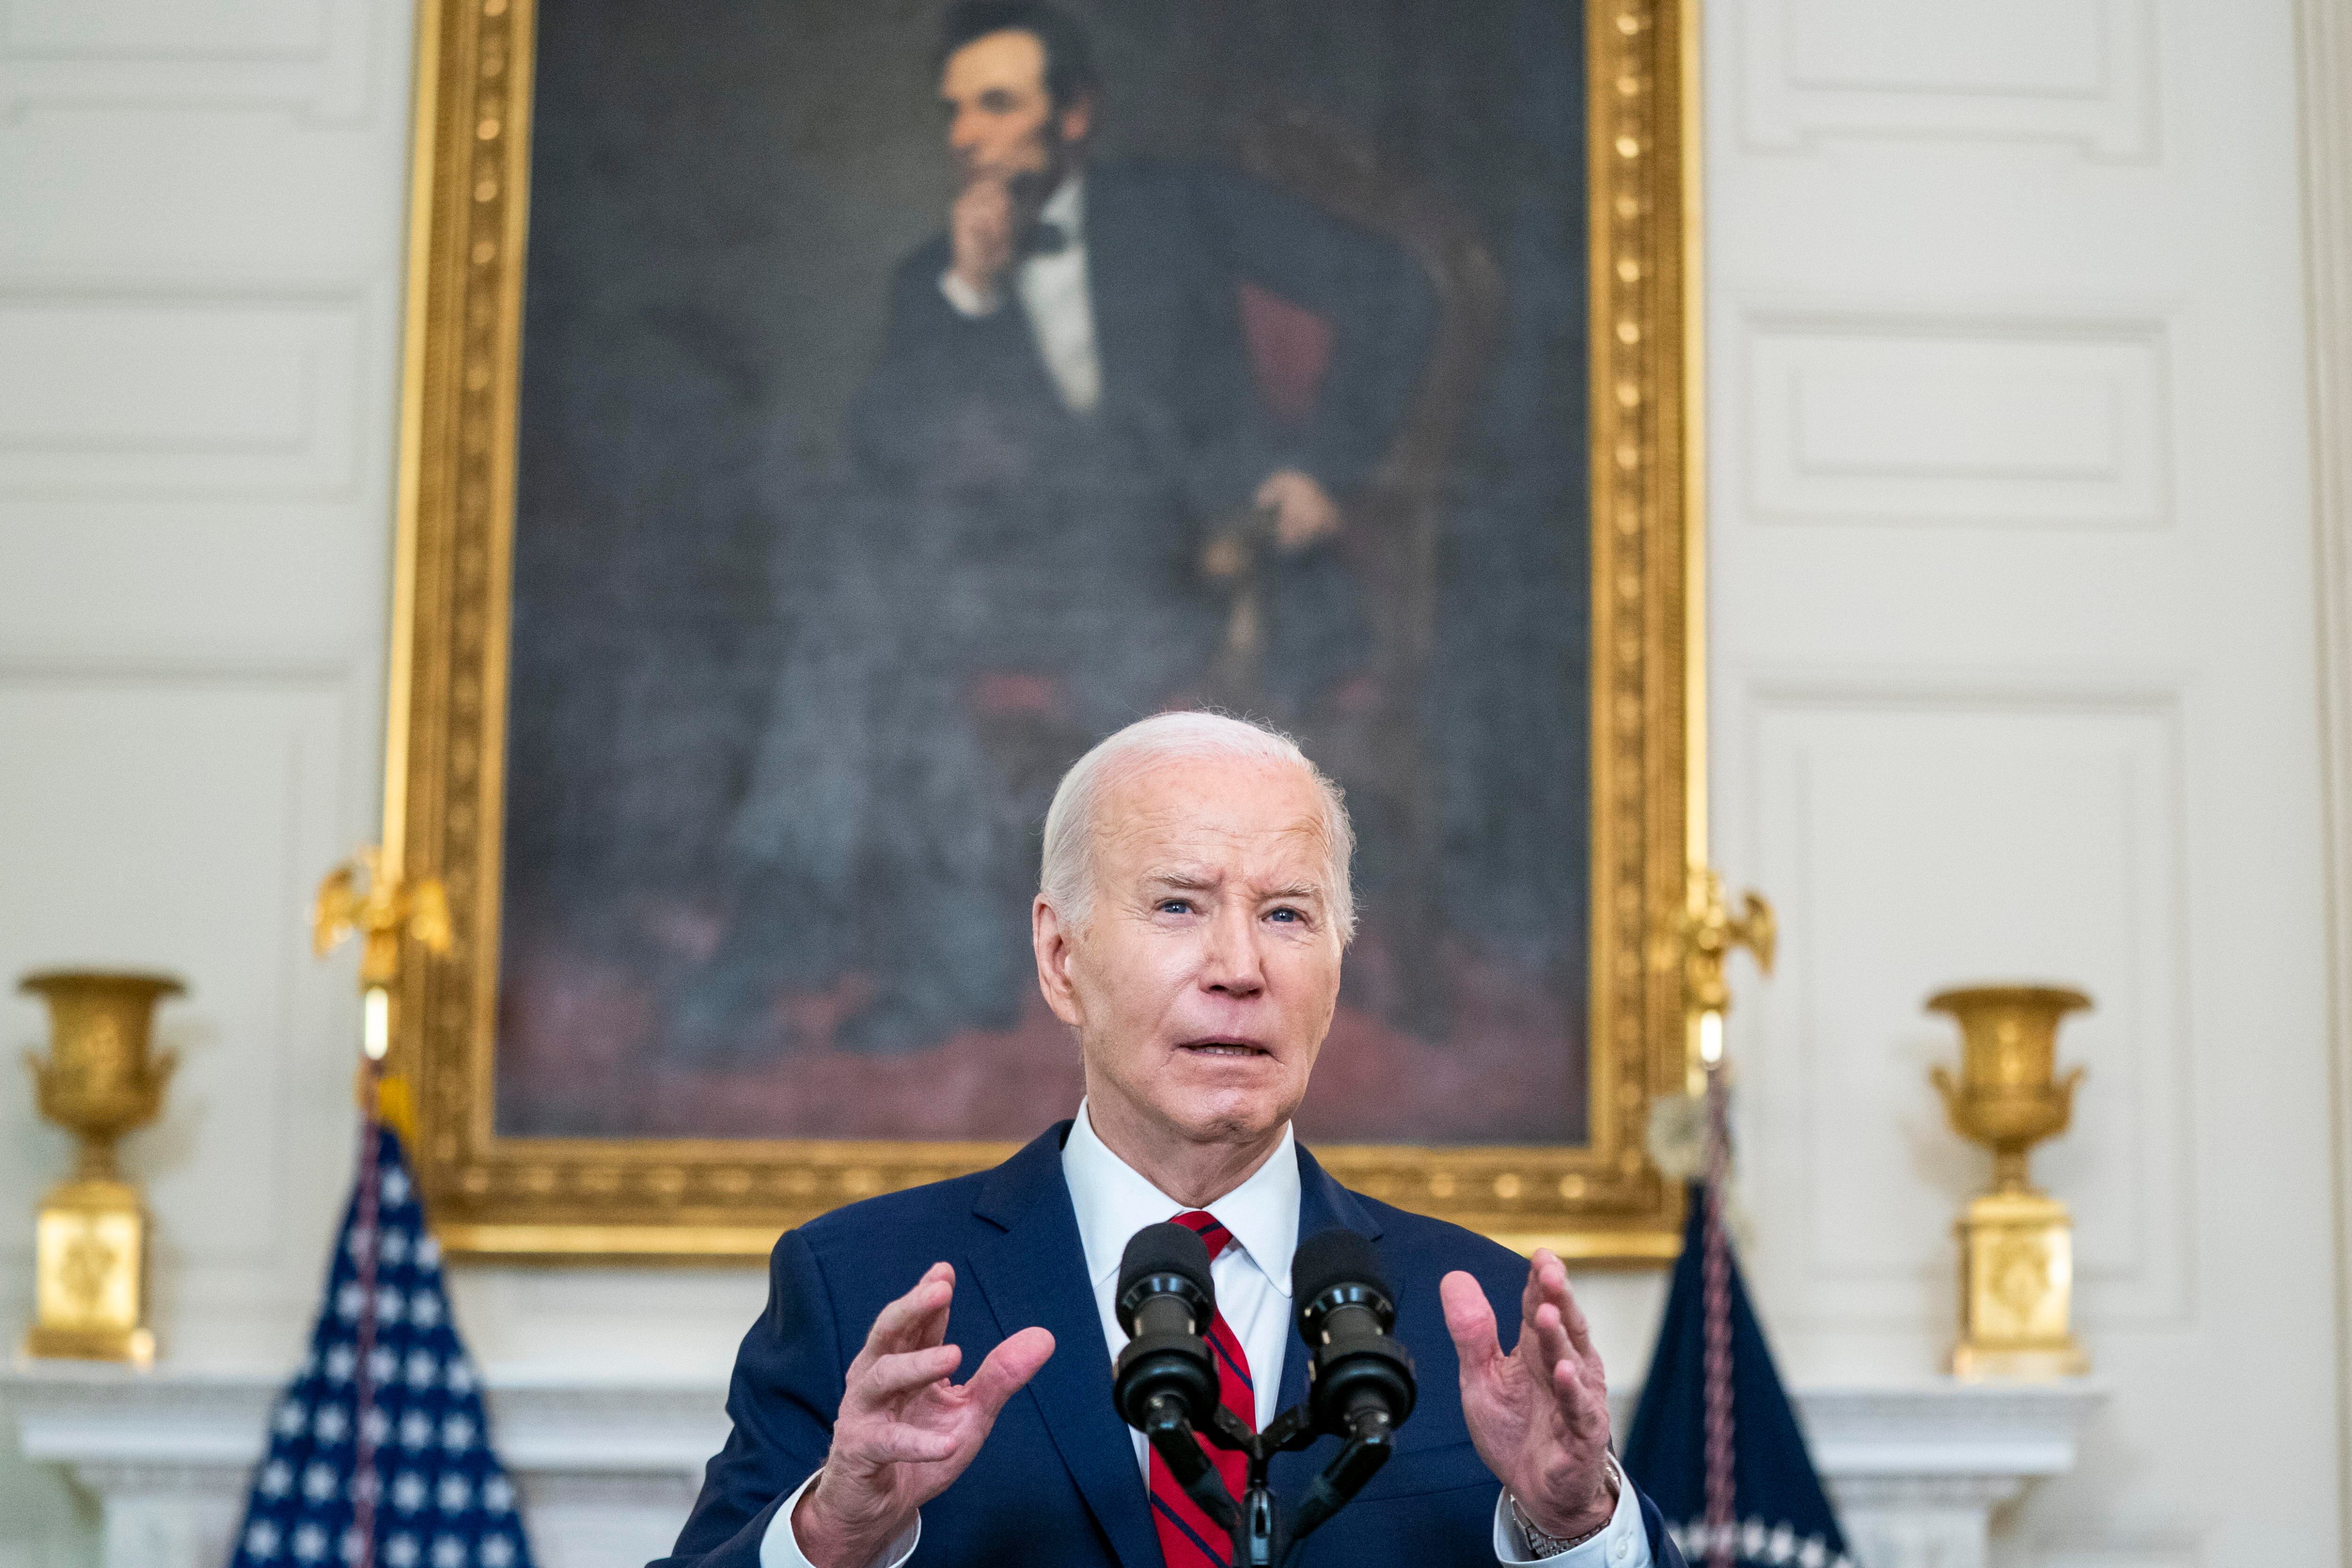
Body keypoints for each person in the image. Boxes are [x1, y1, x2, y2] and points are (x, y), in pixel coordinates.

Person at [655, 712, 1682, 1568]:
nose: (1239, 966)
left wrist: (1572, 1525)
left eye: (1287, 914)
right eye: (1179, 904)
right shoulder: (858, 1287)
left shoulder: (1481, 1313)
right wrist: (834, 1532)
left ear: (1338, 967)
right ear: (1060, 957)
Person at [700, 1, 1430, 1062]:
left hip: (1201, 568)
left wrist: (1322, 465)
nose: (969, 135)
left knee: (876, 620)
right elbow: (885, 460)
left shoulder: (1183, 209)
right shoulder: (937, 279)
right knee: (858, 616)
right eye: (956, 110)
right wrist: (969, 295)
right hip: (1028, 580)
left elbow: (1396, 290)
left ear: (1074, 115)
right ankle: (816, 934)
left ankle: (916, 958)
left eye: (997, 104)